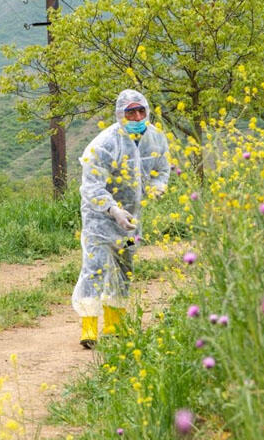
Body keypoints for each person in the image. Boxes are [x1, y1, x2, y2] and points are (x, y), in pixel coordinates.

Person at [72, 89, 170, 348]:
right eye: (130, 112)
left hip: (131, 223)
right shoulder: (105, 143)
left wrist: (159, 186)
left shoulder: (155, 139)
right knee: (95, 268)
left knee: (124, 268)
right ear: (120, 114)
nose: (137, 116)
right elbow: (91, 186)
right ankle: (89, 328)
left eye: (141, 111)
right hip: (101, 221)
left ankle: (115, 325)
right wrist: (112, 210)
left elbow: (162, 167)